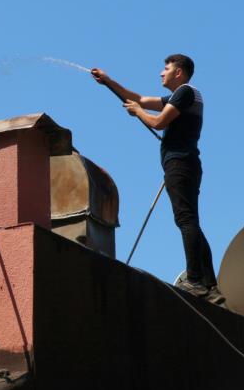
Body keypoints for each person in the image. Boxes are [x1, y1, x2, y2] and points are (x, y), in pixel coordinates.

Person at [91, 54, 223, 305]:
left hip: (180, 163)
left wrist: (139, 113)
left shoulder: (185, 92)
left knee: (185, 220)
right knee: (190, 220)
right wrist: (108, 82)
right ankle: (208, 283)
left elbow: (159, 122)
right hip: (185, 164)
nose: (161, 73)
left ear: (179, 72)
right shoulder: (180, 96)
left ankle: (195, 280)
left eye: (166, 68)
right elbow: (138, 99)